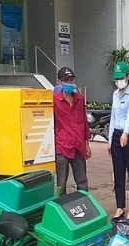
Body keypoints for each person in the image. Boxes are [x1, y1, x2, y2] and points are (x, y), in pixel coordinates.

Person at [108, 61, 129, 222]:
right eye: (117, 78)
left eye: (122, 77)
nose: (119, 81)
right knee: (118, 173)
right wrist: (110, 141)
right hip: (116, 135)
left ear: (128, 77)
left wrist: (126, 133)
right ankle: (120, 207)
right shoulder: (115, 94)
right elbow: (113, 118)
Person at [52, 66, 91, 194]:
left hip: (78, 144)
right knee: (61, 182)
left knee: (82, 180)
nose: (69, 83)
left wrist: (86, 144)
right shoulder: (54, 101)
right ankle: (60, 207)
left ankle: (85, 203)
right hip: (62, 145)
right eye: (66, 80)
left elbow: (84, 121)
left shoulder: (79, 99)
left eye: (71, 80)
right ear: (59, 82)